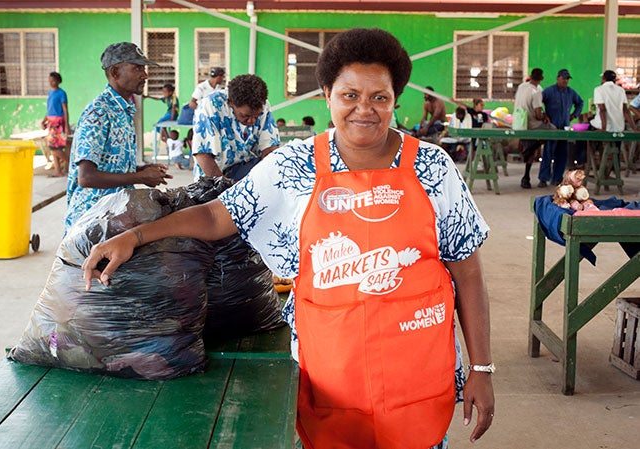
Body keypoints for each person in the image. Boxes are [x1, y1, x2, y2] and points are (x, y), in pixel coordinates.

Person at [83, 28, 494, 449]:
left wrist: (482, 369)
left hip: (417, 368)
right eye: (350, 95)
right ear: (327, 94)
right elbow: (215, 215)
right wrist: (136, 235)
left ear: (395, 99)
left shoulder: (434, 168)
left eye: (379, 97)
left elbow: (469, 275)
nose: (364, 110)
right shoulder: (294, 165)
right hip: (331, 372)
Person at [64, 42, 172, 231]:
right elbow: (87, 177)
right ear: (115, 72)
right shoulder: (98, 112)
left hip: (114, 215)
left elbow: (110, 166)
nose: (144, 75)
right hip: (91, 221)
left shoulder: (123, 111)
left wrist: (142, 171)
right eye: (137, 68)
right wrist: (138, 177)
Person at [191, 74, 280, 181]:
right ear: (230, 103)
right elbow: (203, 155)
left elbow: (270, 148)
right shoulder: (210, 105)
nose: (251, 121)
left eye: (256, 116)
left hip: (245, 170)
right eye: (245, 116)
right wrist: (228, 190)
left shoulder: (263, 104)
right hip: (214, 176)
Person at [539, 69, 584, 185]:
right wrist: (544, 115)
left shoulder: (571, 92)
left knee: (562, 154)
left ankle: (557, 178)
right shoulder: (549, 91)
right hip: (551, 127)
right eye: (563, 78)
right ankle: (543, 179)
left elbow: (580, 102)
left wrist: (574, 115)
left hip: (564, 128)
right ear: (558, 78)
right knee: (548, 152)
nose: (565, 80)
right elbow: (538, 103)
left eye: (567, 79)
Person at [513, 68, 554, 189]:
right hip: (533, 124)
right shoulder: (536, 92)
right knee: (554, 131)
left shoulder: (522, 87)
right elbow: (538, 114)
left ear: (530, 76)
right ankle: (533, 147)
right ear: (541, 79)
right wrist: (545, 117)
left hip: (520, 122)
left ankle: (526, 176)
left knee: (530, 152)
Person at [43, 71, 70, 177]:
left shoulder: (61, 93)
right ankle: (58, 170)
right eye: (49, 80)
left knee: (56, 148)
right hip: (50, 122)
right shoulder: (50, 93)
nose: (51, 82)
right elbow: (49, 109)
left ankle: (71, 163)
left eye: (53, 80)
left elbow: (65, 109)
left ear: (58, 81)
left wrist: (66, 126)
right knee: (52, 147)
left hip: (58, 123)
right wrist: (44, 120)